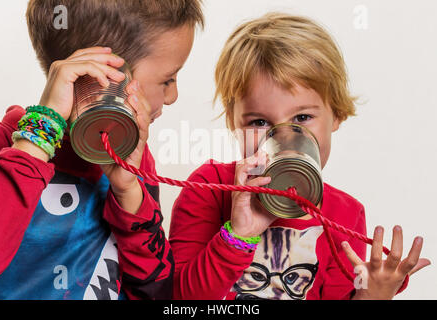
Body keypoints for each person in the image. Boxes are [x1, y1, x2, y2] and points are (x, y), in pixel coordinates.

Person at [169, 12, 430, 300]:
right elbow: (178, 301)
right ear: (234, 124)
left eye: (302, 117)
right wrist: (238, 236)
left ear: (337, 115)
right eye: (259, 122)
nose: (284, 137)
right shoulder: (209, 188)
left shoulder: (345, 215)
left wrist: (373, 295)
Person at [0, 0, 204, 300]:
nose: (173, 96)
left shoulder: (133, 160)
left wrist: (129, 193)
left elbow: (155, 291)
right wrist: (36, 139)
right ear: (104, 75)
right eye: (167, 79)